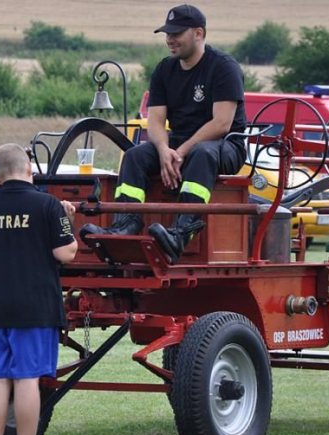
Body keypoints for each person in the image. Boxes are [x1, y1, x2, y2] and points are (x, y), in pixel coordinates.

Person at [80, 4, 247, 265]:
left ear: (199, 33)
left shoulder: (223, 67)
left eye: (177, 33)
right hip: (179, 145)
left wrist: (179, 152)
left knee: (202, 153)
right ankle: (125, 225)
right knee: (135, 155)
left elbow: (222, 124)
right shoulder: (164, 70)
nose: (170, 39)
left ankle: (181, 232)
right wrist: (163, 151)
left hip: (224, 146)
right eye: (167, 33)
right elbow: (155, 121)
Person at [0, 144, 77, 435]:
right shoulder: (48, 204)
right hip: (35, 305)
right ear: (30, 171)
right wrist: (69, 221)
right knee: (27, 378)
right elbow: (66, 253)